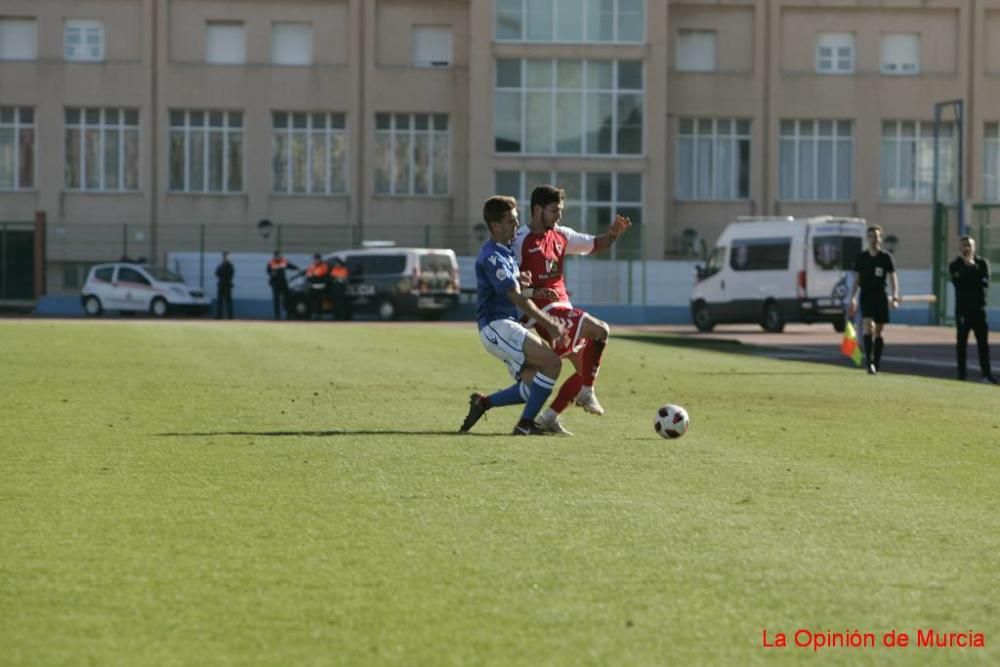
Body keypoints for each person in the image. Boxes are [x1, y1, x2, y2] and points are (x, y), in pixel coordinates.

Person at [511, 184, 631, 435]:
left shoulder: (561, 235)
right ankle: (588, 392)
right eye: (554, 210)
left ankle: (550, 417)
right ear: (537, 209)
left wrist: (613, 235)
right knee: (600, 330)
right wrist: (533, 292)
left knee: (584, 368)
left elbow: (595, 244)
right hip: (540, 317)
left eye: (561, 210)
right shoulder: (520, 240)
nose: (559, 216)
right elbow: (510, 286)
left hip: (562, 312)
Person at [459, 195, 566, 436]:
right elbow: (514, 296)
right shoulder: (493, 256)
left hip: (503, 326)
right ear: (495, 226)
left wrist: (533, 290)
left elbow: (513, 290)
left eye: (516, 220)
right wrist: (548, 323)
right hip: (497, 326)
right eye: (510, 221)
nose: (516, 226)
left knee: (534, 384)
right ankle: (525, 425)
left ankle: (483, 403)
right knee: (552, 363)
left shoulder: (505, 252)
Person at [848, 225, 899, 375]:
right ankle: (869, 363)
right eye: (870, 236)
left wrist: (895, 295)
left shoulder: (885, 257)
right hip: (866, 295)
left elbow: (892, 277)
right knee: (867, 326)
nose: (873, 239)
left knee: (879, 331)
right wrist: (852, 298)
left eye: (876, 236)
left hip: (880, 295)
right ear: (867, 238)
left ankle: (876, 362)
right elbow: (857, 279)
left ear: (880, 238)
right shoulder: (861, 257)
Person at [949, 236, 997, 383]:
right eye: (964, 246)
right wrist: (968, 270)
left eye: (969, 245)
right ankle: (961, 374)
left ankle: (986, 374)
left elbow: (984, 283)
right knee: (961, 342)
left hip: (978, 309)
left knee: (983, 342)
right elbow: (958, 283)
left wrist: (971, 269)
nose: (967, 248)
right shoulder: (955, 265)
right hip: (963, 310)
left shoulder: (983, 264)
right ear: (960, 248)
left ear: (974, 247)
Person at [266, 251, 298, 320]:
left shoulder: (283, 261)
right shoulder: (271, 262)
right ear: (274, 256)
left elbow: (290, 266)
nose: (279, 257)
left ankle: (289, 314)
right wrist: (272, 273)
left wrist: (297, 268)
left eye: (279, 255)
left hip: (283, 283)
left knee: (287, 298)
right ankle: (277, 315)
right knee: (276, 300)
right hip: (275, 284)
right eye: (277, 256)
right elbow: (268, 271)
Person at [305, 253, 330, 320]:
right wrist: (311, 277)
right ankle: (309, 315)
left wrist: (313, 275)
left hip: (321, 287)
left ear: (320, 259)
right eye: (315, 259)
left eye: (317, 259)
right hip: (313, 287)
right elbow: (309, 275)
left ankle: (319, 316)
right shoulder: (312, 266)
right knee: (311, 302)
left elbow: (321, 274)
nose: (316, 260)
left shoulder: (324, 266)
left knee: (319, 303)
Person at [214, 251, 235, 319]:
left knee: (228, 301)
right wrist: (222, 274)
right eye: (224, 256)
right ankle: (219, 315)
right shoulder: (221, 265)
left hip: (227, 284)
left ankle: (230, 316)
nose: (225, 258)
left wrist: (222, 274)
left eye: (226, 256)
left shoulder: (230, 265)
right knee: (219, 301)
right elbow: (216, 273)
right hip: (221, 284)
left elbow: (230, 274)